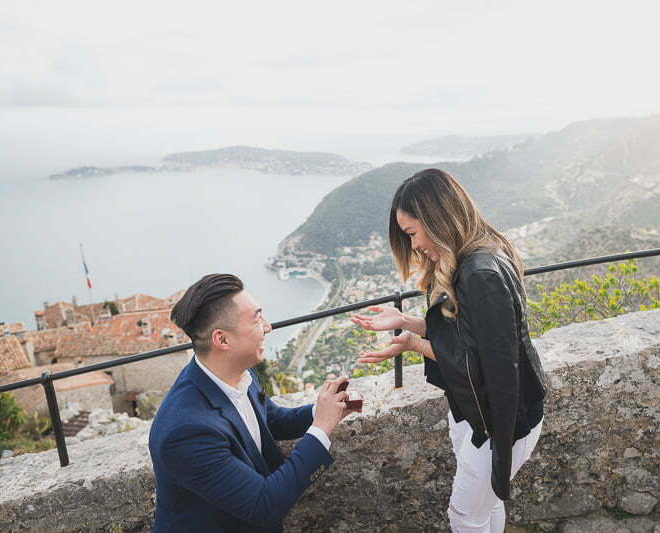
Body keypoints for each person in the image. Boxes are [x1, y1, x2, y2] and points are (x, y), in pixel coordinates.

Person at [351, 169, 547, 532]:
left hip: (499, 420)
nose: (413, 246)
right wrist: (408, 323)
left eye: (412, 233)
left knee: (465, 517)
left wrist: (412, 344)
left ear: (438, 219)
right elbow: (467, 338)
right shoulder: (476, 258)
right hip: (479, 412)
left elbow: (480, 365)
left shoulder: (480, 274)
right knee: (484, 509)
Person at [149, 273, 351, 532]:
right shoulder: (186, 432)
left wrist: (324, 409)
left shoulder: (237, 373)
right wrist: (321, 429)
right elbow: (264, 505)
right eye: (257, 319)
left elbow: (271, 420)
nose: (268, 327)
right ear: (222, 340)